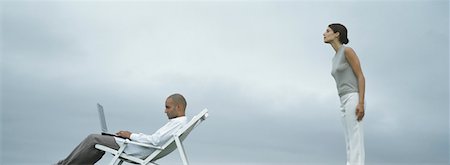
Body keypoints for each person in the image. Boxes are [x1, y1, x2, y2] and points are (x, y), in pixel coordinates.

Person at [56, 93, 188, 165]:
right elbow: (156, 140)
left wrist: (131, 135)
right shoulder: (179, 123)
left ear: (178, 107)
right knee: (97, 144)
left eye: (167, 107)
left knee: (93, 139)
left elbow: (155, 140)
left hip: (134, 149)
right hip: (137, 147)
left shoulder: (178, 123)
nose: (165, 111)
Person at [323, 23, 366, 165]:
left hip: (353, 97)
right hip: (342, 99)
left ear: (337, 34)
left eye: (328, 31)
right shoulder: (334, 58)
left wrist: (360, 102)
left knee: (355, 139)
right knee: (349, 139)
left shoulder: (347, 51)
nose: (324, 33)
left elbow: (360, 76)